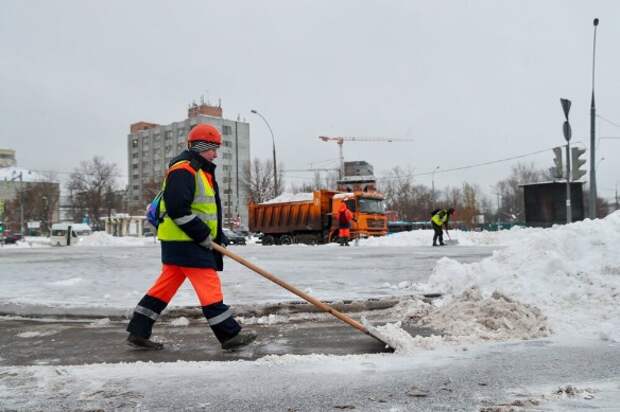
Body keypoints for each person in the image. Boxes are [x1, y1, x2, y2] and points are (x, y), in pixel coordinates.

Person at [126, 123, 256, 350]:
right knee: (209, 285)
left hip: (181, 241)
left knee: (164, 287)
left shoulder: (198, 170)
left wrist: (218, 236)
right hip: (187, 242)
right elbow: (178, 208)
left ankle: (138, 330)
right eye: (212, 148)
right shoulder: (184, 169)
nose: (215, 154)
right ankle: (229, 335)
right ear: (199, 147)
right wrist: (202, 235)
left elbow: (203, 211)